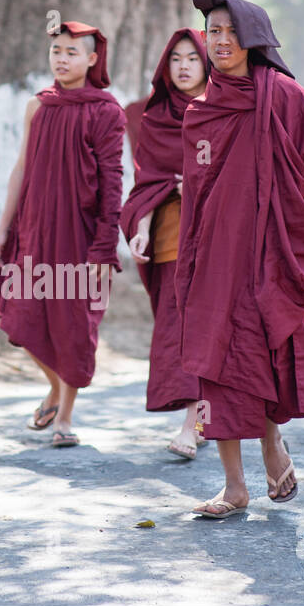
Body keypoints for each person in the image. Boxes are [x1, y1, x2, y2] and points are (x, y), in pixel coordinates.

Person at [179, 0, 304, 518]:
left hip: (270, 255)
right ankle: (234, 485)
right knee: (217, 361)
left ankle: (272, 440)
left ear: (253, 37)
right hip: (216, 256)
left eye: (231, 31)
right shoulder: (204, 111)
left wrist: (290, 224)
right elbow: (196, 191)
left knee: (261, 352)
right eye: (212, 31)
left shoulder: (286, 96)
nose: (220, 41)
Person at [0, 20, 125, 448]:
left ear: (92, 59)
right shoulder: (38, 106)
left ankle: (65, 416)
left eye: (71, 52)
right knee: (20, 315)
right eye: (56, 51)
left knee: (74, 326)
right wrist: (3, 229)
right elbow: (21, 169)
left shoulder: (106, 111)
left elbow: (112, 182)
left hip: (80, 238)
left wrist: (103, 248)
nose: (62, 59)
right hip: (34, 229)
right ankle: (57, 388)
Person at [120, 28, 208, 460]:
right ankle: (196, 419)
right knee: (178, 328)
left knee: (210, 329)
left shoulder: (224, 109)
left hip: (218, 237)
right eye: (176, 59)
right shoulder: (155, 118)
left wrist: (195, 181)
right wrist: (141, 227)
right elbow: (151, 182)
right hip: (172, 235)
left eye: (193, 57)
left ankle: (195, 423)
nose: (185, 66)